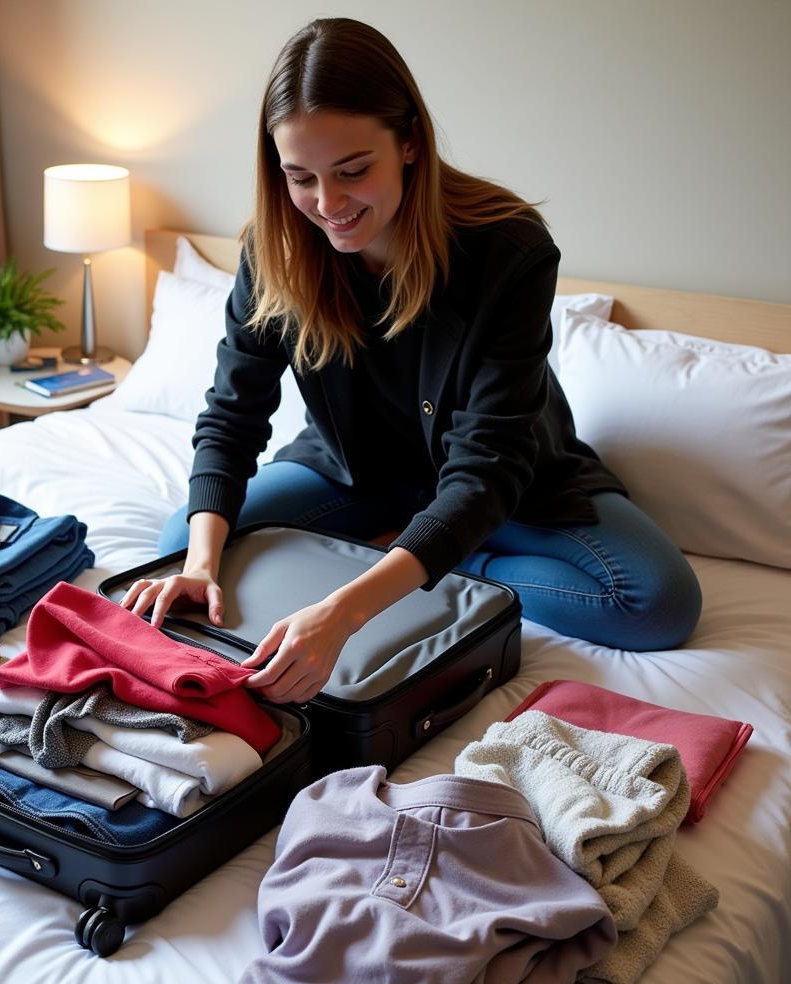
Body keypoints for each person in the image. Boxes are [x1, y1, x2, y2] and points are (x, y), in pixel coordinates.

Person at [121, 17, 701, 704]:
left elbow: (489, 465)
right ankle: (403, 550)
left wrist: (348, 606)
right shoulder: (274, 247)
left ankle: (441, 557)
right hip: (353, 473)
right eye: (300, 177)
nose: (328, 205)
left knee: (657, 602)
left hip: (502, 482)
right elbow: (232, 414)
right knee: (181, 541)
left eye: (353, 171)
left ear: (410, 143)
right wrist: (199, 564)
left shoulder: (507, 249)